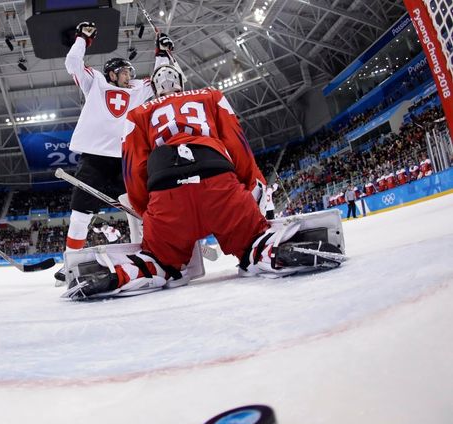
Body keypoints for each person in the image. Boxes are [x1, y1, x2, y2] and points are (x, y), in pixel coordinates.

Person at [64, 65, 344, 300]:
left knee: (160, 260)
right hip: (218, 183)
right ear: (181, 82)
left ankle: (128, 273)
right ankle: (268, 251)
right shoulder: (211, 96)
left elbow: (134, 169)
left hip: (167, 194)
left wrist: (148, 211)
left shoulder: (137, 114)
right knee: (250, 243)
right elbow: (237, 143)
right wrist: (250, 186)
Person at [54, 21, 176, 282]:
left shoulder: (137, 90)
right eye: (124, 72)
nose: (129, 76)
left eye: (130, 72)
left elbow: (163, 79)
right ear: (112, 73)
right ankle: (70, 262)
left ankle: (153, 249)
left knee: (141, 207)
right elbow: (73, 63)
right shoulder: (95, 83)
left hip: (126, 159)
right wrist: (81, 39)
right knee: (79, 214)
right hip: (95, 159)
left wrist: (162, 54)